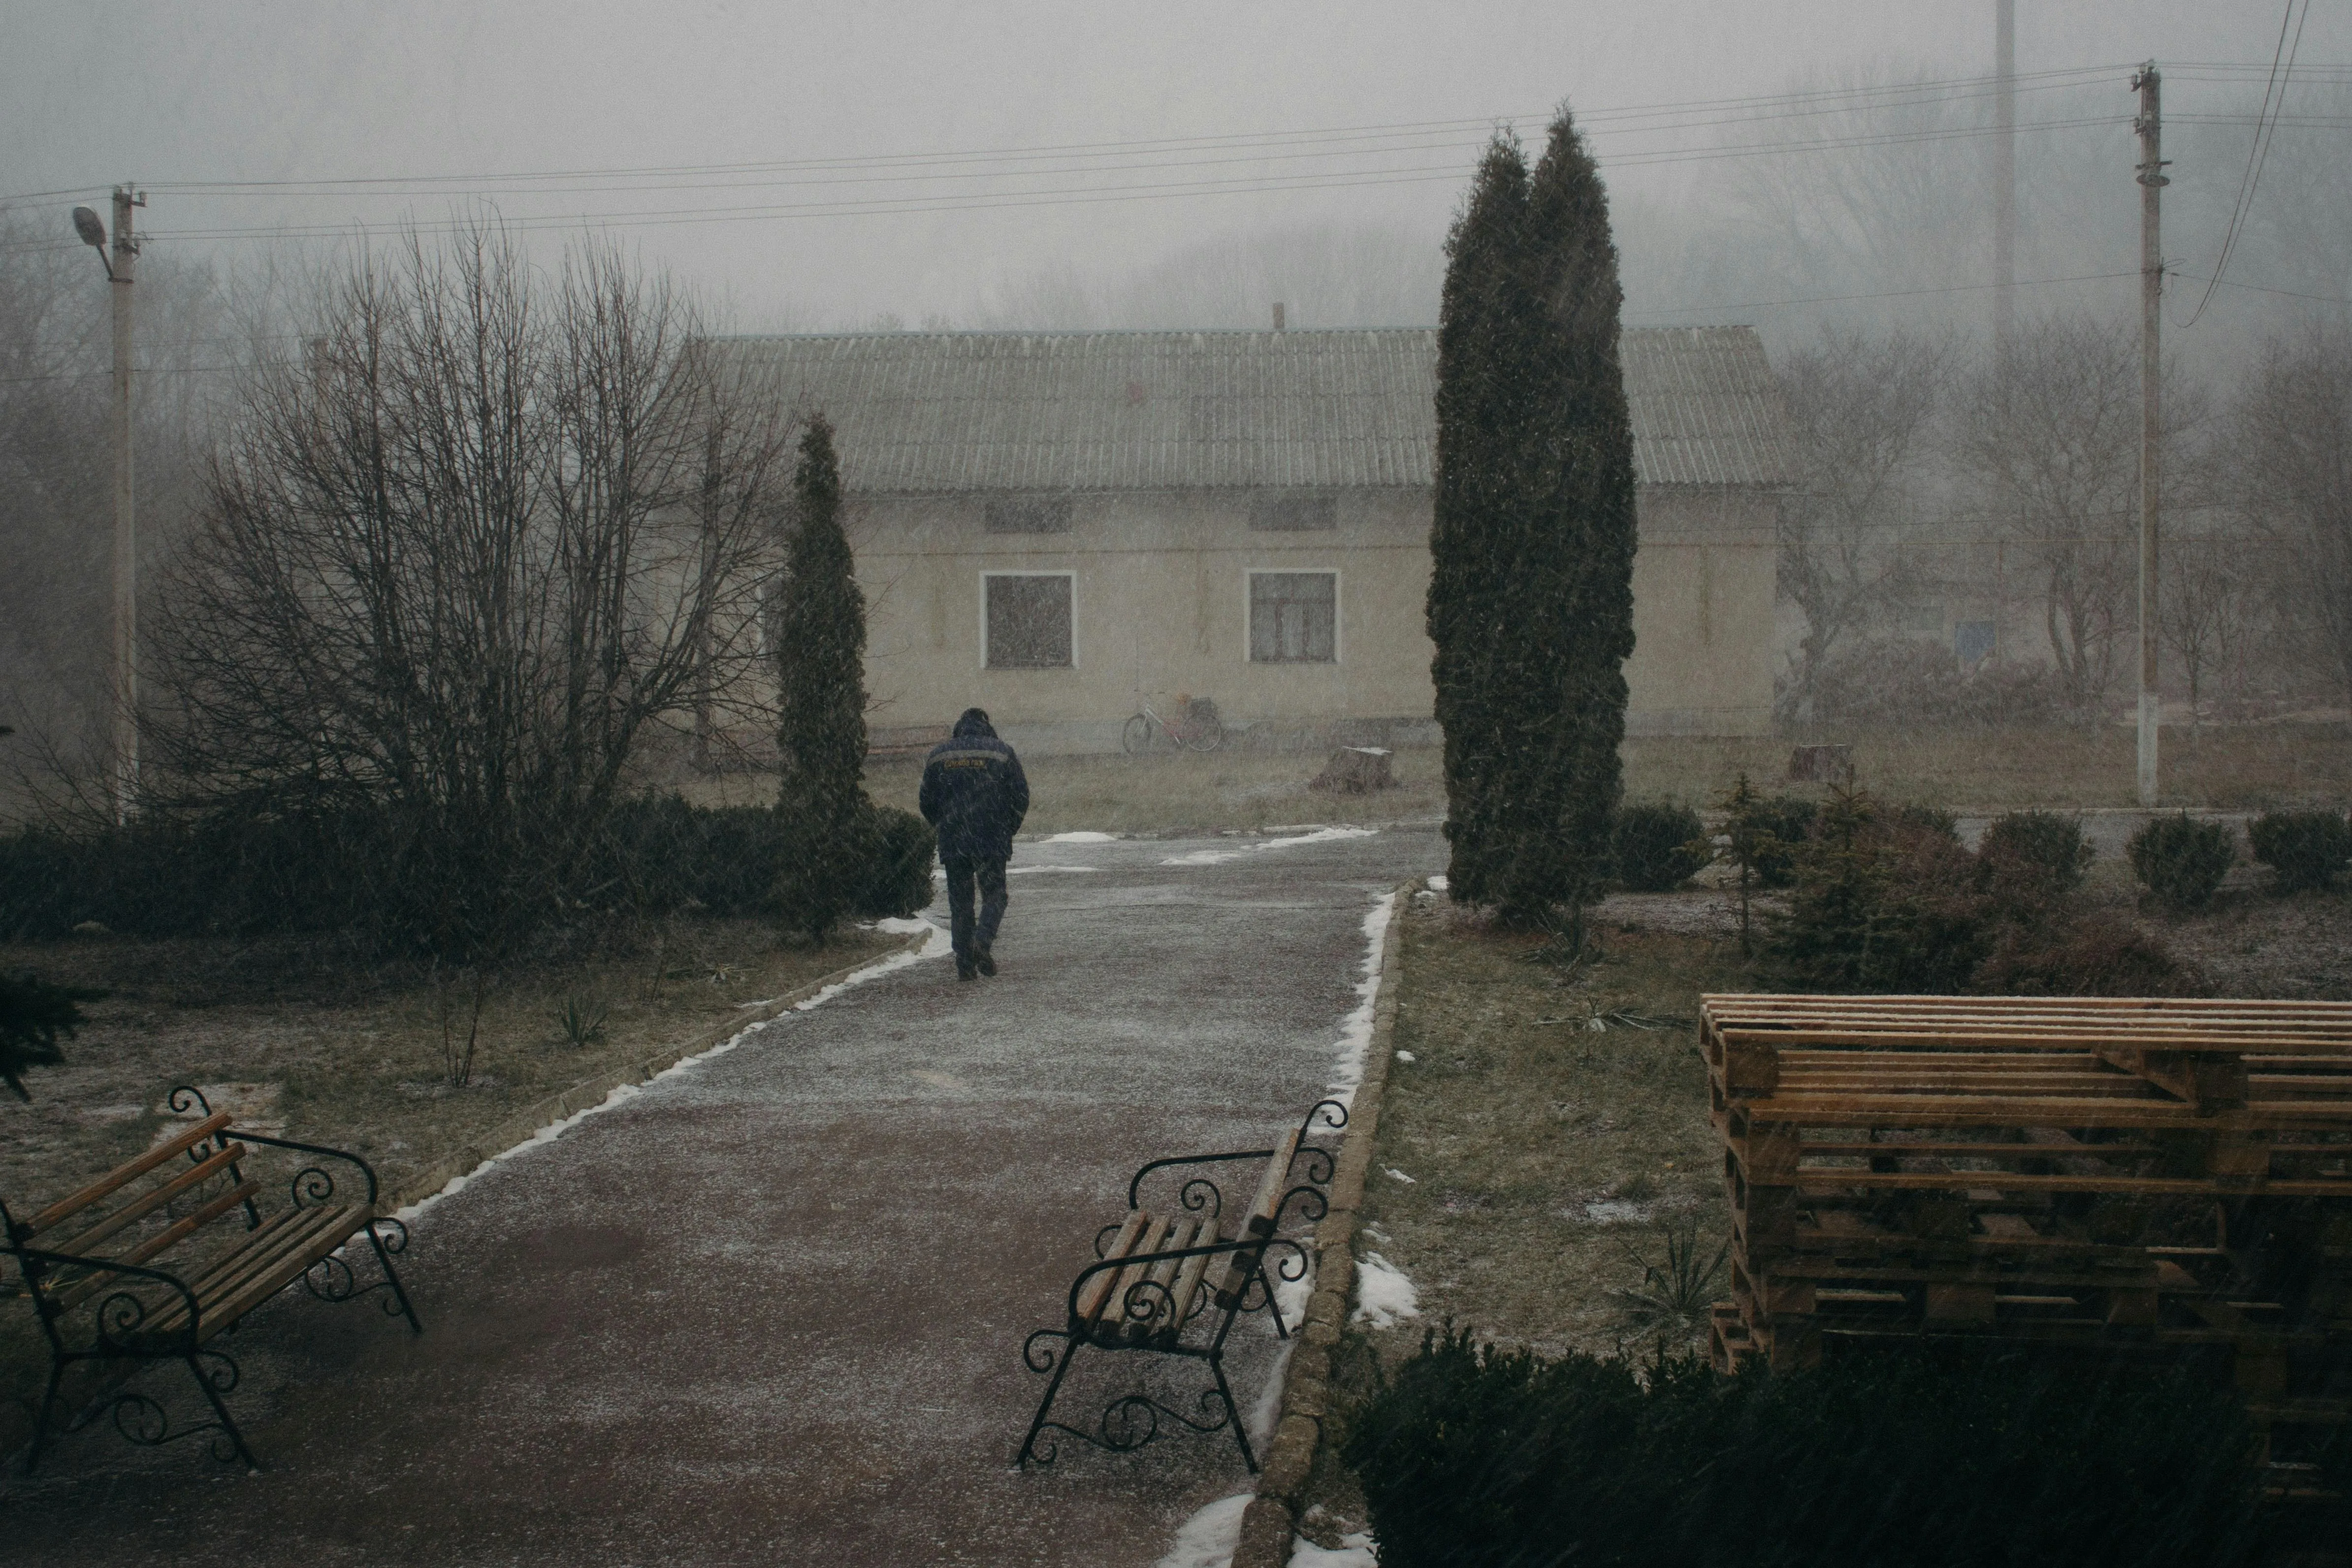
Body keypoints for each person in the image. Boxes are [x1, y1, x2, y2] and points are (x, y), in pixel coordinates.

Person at [918, 707, 1030, 981]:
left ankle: (965, 962)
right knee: (995, 894)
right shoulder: (1002, 753)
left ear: (959, 727)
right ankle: (983, 940)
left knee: (961, 902)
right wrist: (1007, 829)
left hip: (954, 839)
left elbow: (926, 801)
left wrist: (943, 826)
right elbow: (1021, 797)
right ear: (986, 726)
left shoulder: (939, 756)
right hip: (992, 837)